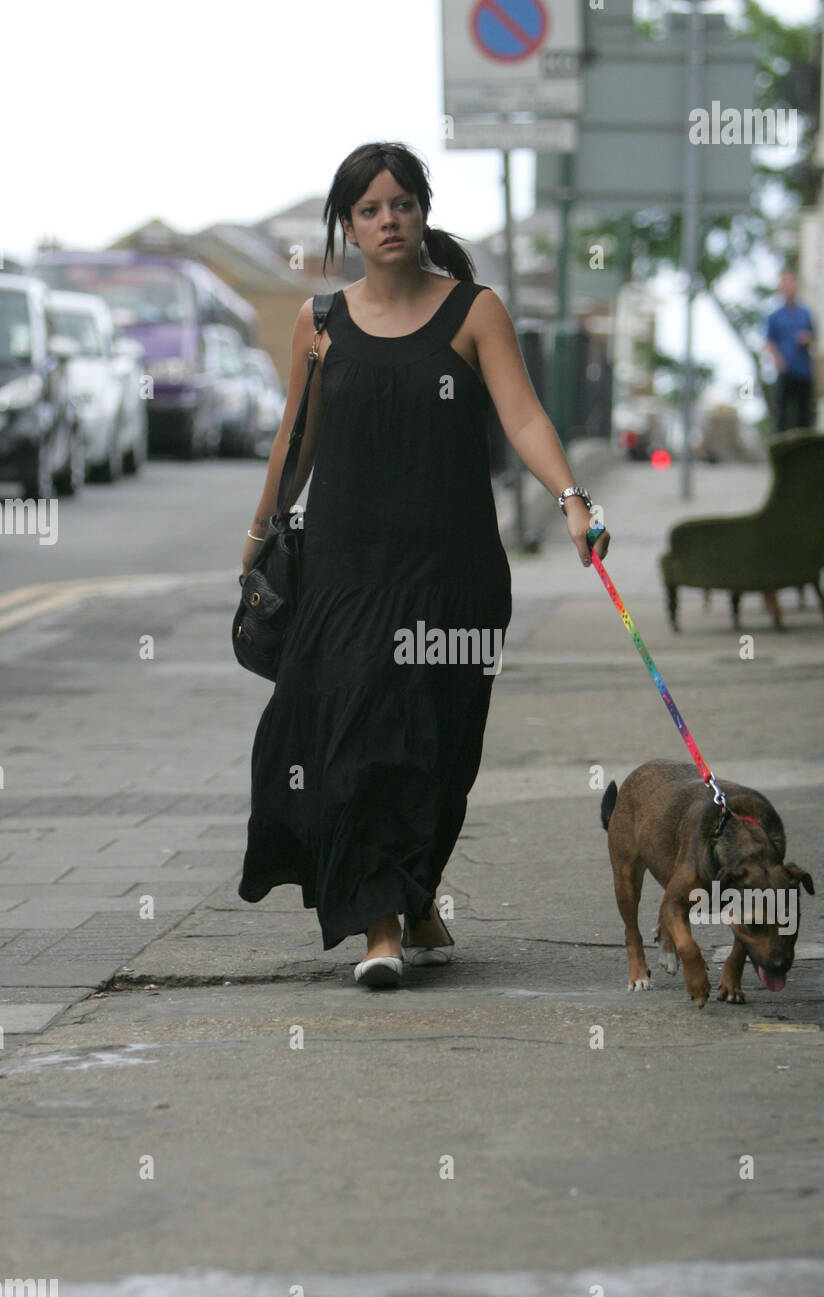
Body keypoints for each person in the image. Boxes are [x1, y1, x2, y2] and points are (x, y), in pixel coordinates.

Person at [237, 141, 610, 988]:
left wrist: (571, 500)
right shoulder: (320, 323)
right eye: (368, 209)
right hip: (345, 571)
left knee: (439, 746)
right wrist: (258, 535)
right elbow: (297, 442)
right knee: (361, 739)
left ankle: (417, 891)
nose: (387, 220)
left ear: (423, 212)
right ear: (348, 226)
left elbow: (523, 417)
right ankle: (379, 929)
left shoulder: (473, 311)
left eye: (400, 203)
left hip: (453, 572)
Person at [765, 269, 815, 432]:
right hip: (786, 370)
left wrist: (807, 338)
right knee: (782, 414)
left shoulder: (805, 313)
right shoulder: (775, 316)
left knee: (804, 414)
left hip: (804, 370)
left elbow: (813, 335)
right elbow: (769, 341)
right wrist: (779, 362)